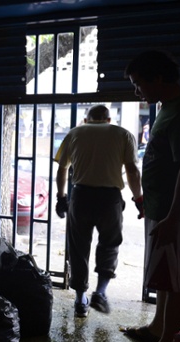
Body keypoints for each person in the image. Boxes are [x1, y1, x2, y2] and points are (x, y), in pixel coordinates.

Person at [117, 50, 180, 342]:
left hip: (175, 213)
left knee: (178, 279)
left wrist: (171, 216)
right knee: (165, 275)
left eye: (138, 83)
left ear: (157, 78)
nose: (136, 90)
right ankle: (157, 328)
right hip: (161, 208)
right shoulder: (168, 109)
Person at [54, 104, 143, 318]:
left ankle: (79, 300)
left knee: (78, 247)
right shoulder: (123, 134)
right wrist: (139, 198)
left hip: (81, 197)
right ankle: (100, 292)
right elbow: (132, 170)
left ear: (86, 119)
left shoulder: (75, 133)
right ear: (109, 119)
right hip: (109, 199)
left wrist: (61, 197)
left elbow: (62, 169)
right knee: (109, 245)